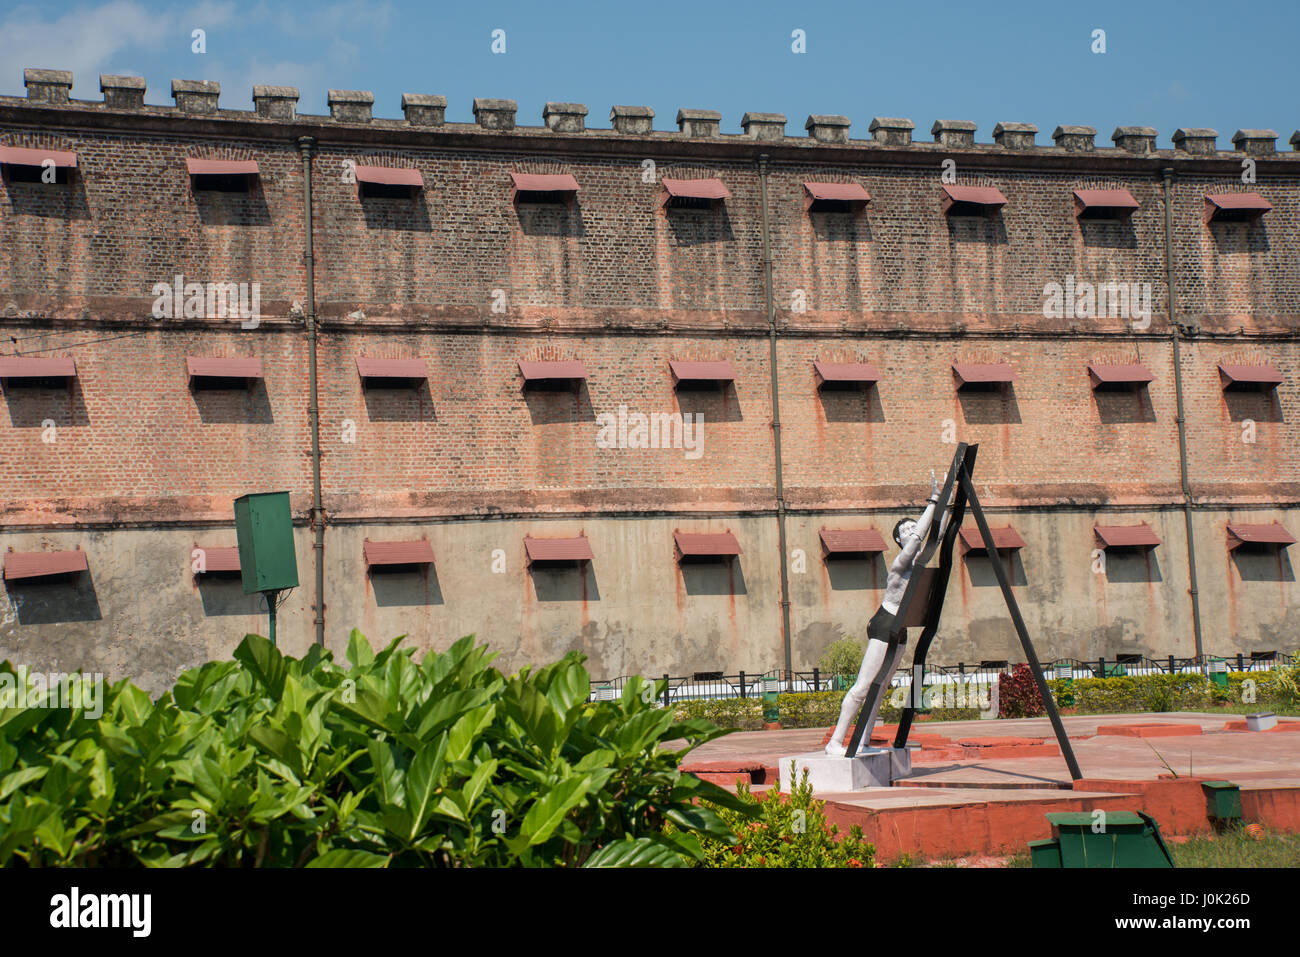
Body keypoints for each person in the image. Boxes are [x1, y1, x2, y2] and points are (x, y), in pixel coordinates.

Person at [824, 470, 951, 757]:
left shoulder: (920, 560)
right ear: (898, 541)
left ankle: (864, 740)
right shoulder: (901, 561)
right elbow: (920, 536)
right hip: (885, 624)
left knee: (881, 689)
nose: (910, 532)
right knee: (863, 686)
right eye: (903, 532)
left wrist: (947, 499)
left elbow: (936, 536)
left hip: (902, 627)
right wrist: (933, 501)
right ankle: (836, 740)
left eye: (910, 528)